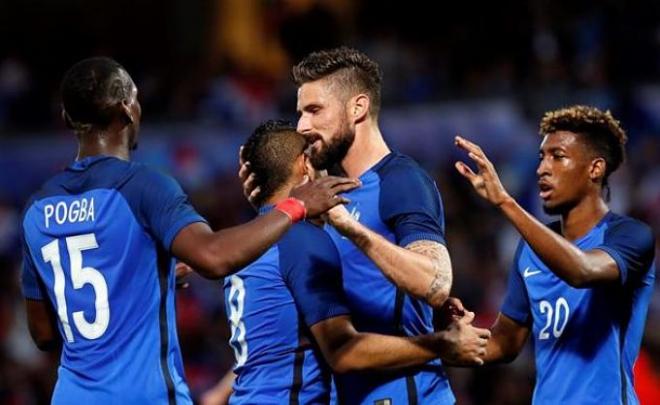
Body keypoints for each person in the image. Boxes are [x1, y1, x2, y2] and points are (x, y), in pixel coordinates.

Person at [19, 57, 359, 404]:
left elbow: (44, 333)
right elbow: (213, 257)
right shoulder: (143, 186)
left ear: (66, 118)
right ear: (128, 109)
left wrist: (144, 280)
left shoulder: (36, 207)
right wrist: (296, 205)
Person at [241, 47, 461, 404]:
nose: (302, 126)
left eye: (314, 110)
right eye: (300, 113)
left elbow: (436, 282)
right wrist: (269, 206)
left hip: (407, 393)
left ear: (357, 108)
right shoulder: (329, 194)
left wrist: (351, 228)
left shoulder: (401, 180)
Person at [219, 120, 489, 404]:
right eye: (317, 158)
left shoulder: (248, 243)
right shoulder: (302, 238)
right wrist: (442, 344)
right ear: (305, 165)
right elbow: (343, 352)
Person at [454, 105, 656, 404]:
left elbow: (583, 270)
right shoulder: (530, 249)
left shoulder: (630, 236)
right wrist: (452, 336)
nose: (542, 169)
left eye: (557, 157)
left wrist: (505, 203)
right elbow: (503, 344)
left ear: (595, 168)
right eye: (541, 158)